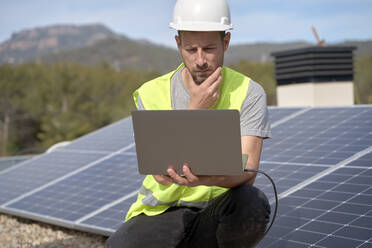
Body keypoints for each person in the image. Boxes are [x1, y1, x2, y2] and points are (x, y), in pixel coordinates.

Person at [107, 0, 271, 247]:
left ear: (225, 42)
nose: (201, 60)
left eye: (209, 48)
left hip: (218, 212)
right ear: (178, 44)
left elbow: (247, 172)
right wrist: (196, 109)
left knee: (252, 203)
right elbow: (160, 173)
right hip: (162, 211)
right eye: (191, 49)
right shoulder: (151, 93)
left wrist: (203, 179)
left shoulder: (249, 93)